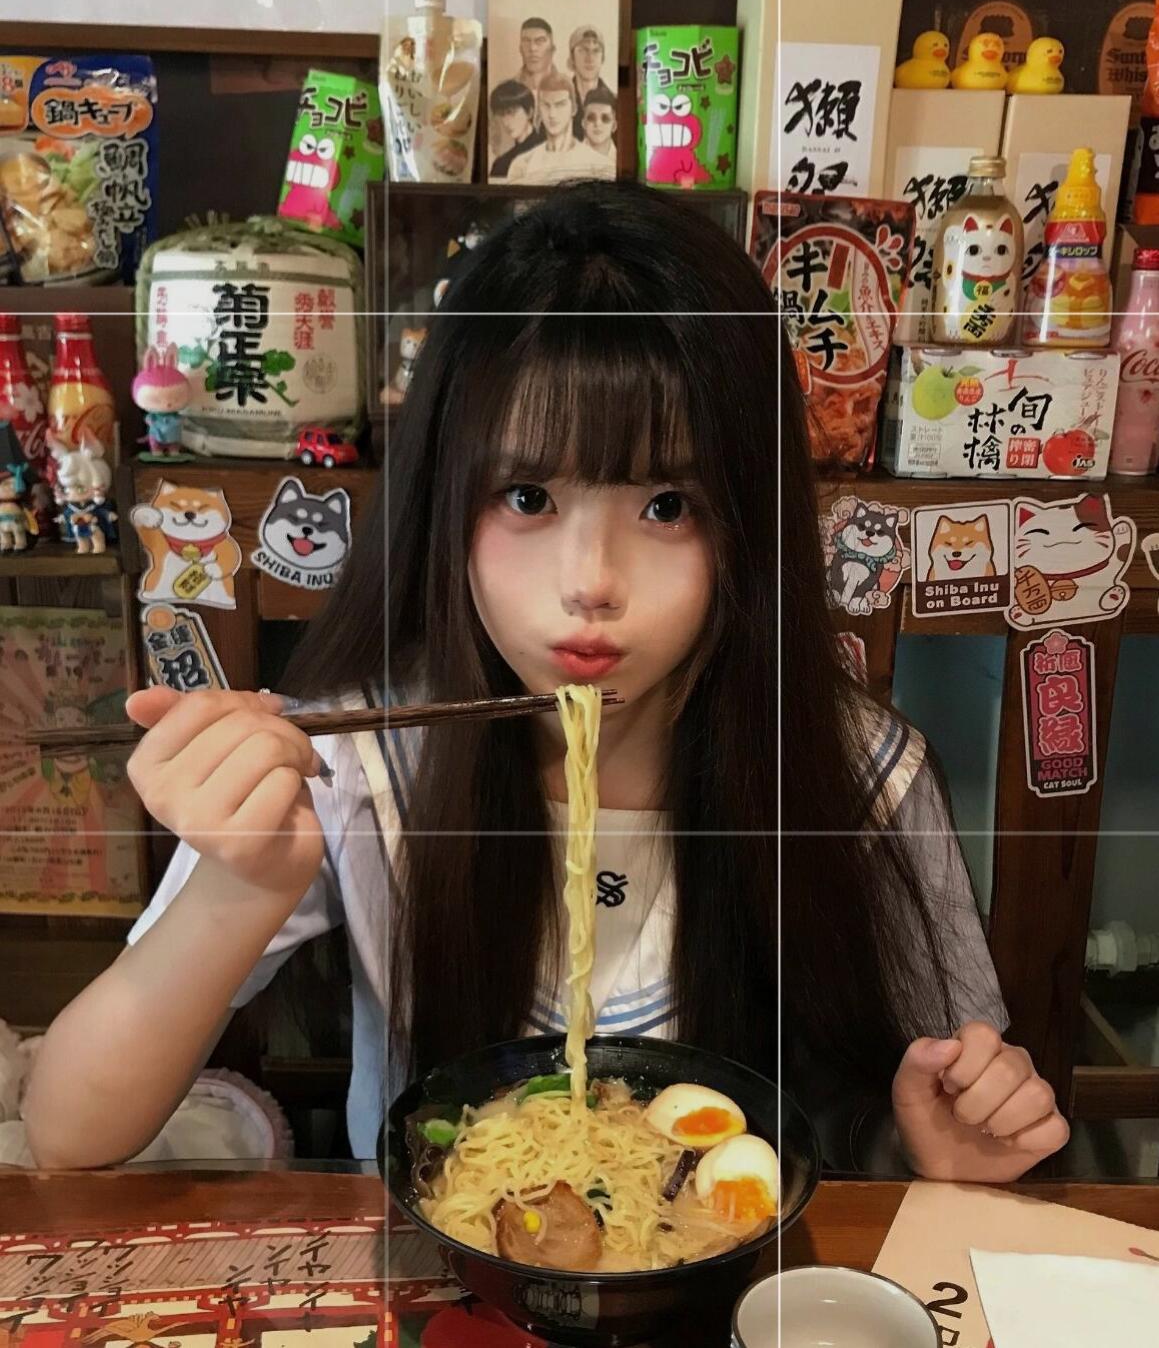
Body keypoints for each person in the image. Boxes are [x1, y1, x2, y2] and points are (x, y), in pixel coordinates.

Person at [22, 184, 1068, 1187]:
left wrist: (933, 1145)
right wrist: (239, 886)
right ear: (444, 500)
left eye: (668, 506)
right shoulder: (350, 768)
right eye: (526, 496)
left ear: (751, 522)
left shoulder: (858, 776)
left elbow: (933, 1098)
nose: (590, 584)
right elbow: (68, 1132)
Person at [508, 71, 614, 185]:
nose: (552, 114)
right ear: (539, 110)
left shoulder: (598, 166)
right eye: (546, 105)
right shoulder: (522, 166)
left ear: (573, 108)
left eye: (560, 104)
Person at [488, 79, 542, 179]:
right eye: (501, 114)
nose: (506, 122)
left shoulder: (549, 151)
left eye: (511, 113)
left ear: (529, 112)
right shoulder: (501, 164)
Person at [567, 25, 607, 138]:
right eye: (583, 50)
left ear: (603, 58)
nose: (590, 58)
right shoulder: (559, 101)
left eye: (596, 51)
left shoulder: (613, 102)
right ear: (572, 57)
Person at [578, 82, 617, 166]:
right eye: (591, 118)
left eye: (605, 118)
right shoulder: (570, 159)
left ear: (614, 126)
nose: (597, 123)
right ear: (583, 123)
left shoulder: (624, 159)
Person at [514, 16, 555, 96]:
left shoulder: (567, 86)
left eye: (540, 41)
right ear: (520, 48)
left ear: (552, 48)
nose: (532, 48)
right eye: (526, 41)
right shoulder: (508, 90)